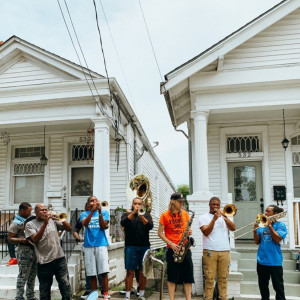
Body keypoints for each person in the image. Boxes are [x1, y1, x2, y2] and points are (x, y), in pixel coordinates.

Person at [25, 203, 72, 300]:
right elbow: (36, 239)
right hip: (44, 261)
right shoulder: (30, 224)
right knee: (45, 288)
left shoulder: (52, 221)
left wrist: (61, 219)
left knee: (65, 284)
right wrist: (45, 224)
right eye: (42, 210)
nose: (45, 212)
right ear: (35, 212)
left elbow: (69, 228)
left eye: (46, 209)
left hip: (59, 258)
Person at [158, 193, 194, 300]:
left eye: (182, 201)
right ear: (173, 201)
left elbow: (188, 229)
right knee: (172, 278)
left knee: (188, 278)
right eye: (180, 201)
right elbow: (159, 233)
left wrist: (189, 232)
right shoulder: (165, 215)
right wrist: (171, 244)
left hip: (185, 249)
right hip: (172, 250)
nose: (182, 203)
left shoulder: (185, 214)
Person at [199, 197, 235, 300]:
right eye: (213, 204)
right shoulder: (203, 217)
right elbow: (206, 232)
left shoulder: (226, 216)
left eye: (217, 205)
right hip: (210, 250)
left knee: (223, 279)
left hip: (224, 250)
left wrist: (224, 216)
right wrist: (214, 219)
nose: (215, 207)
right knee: (209, 279)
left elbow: (233, 228)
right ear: (209, 205)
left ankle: (223, 298)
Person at [121, 197, 153, 300]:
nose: (137, 206)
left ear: (142, 205)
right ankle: (127, 296)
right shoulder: (126, 215)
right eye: (135, 204)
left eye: (139, 204)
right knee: (130, 271)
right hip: (131, 246)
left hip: (144, 246)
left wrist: (141, 216)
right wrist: (133, 213)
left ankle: (141, 294)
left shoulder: (147, 215)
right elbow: (123, 223)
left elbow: (150, 226)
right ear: (132, 204)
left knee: (142, 272)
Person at [254, 205, 287, 300]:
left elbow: (277, 239)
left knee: (278, 287)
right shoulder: (261, 226)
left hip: (275, 261)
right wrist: (255, 230)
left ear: (275, 214)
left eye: (268, 211)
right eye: (265, 211)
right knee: (263, 287)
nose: (265, 213)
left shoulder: (281, 225)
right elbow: (257, 242)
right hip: (262, 261)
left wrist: (269, 226)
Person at [80, 195, 110, 300]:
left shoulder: (105, 213)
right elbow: (85, 224)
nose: (94, 202)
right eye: (91, 201)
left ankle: (105, 293)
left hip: (101, 244)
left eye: (96, 200)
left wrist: (100, 212)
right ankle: (94, 295)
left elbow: (103, 226)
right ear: (88, 204)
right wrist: (92, 212)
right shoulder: (83, 214)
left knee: (104, 270)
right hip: (88, 245)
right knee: (91, 271)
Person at [73, 202, 103, 299]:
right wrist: (77, 237)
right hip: (88, 245)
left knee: (100, 269)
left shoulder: (99, 214)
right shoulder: (84, 215)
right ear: (86, 207)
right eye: (89, 206)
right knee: (89, 270)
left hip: (99, 244)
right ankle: (89, 290)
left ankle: (102, 290)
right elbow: (76, 230)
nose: (91, 207)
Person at [8, 202, 37, 300]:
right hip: (24, 251)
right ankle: (19, 297)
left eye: (31, 211)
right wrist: (22, 240)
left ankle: (30, 296)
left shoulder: (31, 220)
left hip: (34, 250)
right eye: (28, 211)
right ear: (22, 211)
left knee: (32, 275)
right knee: (23, 275)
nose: (30, 213)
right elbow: (10, 238)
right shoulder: (16, 223)